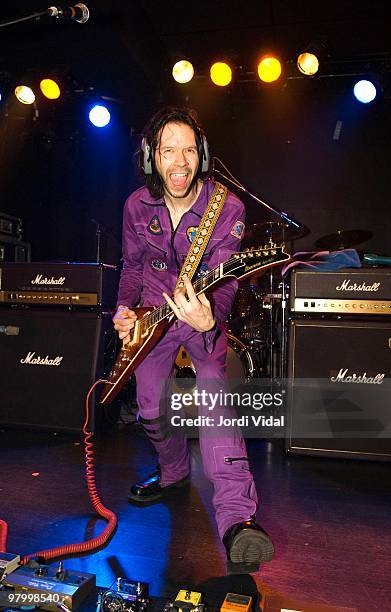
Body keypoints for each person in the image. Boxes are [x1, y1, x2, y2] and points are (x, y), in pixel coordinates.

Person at [113, 106, 274, 571]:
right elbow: (133, 267)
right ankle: (174, 472)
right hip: (152, 314)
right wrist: (124, 313)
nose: (179, 162)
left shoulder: (229, 209)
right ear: (151, 158)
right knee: (148, 407)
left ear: (201, 155)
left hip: (200, 314)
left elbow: (225, 281)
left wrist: (210, 320)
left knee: (213, 399)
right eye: (168, 150)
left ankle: (237, 520)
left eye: (189, 150)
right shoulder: (134, 207)